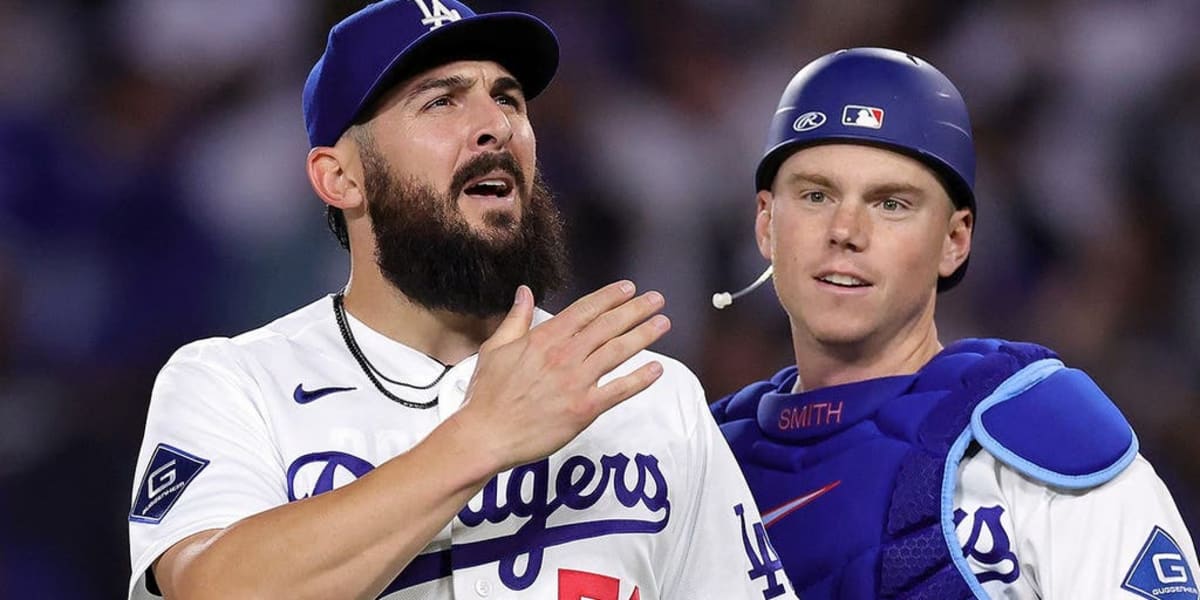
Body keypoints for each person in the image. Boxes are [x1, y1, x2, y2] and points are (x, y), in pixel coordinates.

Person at [126, 2, 796, 599]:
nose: (494, 126)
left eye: (508, 98)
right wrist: (483, 436)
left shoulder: (647, 395)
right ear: (340, 178)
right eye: (441, 101)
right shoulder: (233, 384)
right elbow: (213, 588)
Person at [711, 47, 1199, 599]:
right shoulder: (696, 466)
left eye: (891, 203)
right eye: (816, 195)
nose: (845, 230)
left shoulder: (1041, 444)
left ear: (954, 240)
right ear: (766, 222)